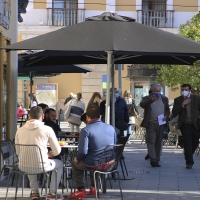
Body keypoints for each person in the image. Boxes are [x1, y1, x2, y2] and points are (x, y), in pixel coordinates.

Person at [68, 106, 116, 199]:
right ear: (100, 116)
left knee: (75, 163)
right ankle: (94, 188)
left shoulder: (86, 130)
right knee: (95, 159)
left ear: (87, 116)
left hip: (94, 164)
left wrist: (77, 158)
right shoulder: (111, 128)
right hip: (110, 163)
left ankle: (80, 190)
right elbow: (115, 144)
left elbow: (82, 152)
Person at [15, 106, 63, 200]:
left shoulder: (19, 130)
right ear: (43, 116)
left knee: (28, 159)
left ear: (29, 116)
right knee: (60, 164)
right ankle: (52, 193)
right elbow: (57, 151)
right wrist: (51, 154)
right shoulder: (47, 129)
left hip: (23, 166)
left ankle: (34, 192)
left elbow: (18, 151)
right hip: (42, 165)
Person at [140, 84, 170, 167]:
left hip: (161, 123)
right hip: (150, 124)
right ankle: (153, 160)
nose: (158, 93)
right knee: (151, 141)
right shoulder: (147, 98)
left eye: (159, 91)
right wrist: (151, 100)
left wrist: (166, 116)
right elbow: (142, 104)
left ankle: (157, 159)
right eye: (156, 91)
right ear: (152, 90)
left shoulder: (164, 99)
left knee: (158, 142)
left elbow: (167, 109)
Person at [172, 83, 200, 169]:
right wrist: (183, 104)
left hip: (195, 124)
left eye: (186, 90)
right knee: (187, 142)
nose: (184, 91)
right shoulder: (178, 100)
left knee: (195, 142)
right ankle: (189, 162)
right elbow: (174, 112)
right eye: (183, 90)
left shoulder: (196, 98)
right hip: (185, 124)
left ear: (190, 90)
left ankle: (188, 154)